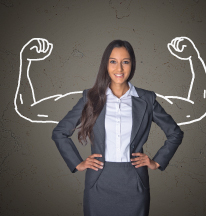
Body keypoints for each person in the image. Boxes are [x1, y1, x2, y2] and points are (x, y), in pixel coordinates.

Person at [51, 39, 184, 216]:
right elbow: (59, 132)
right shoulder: (90, 98)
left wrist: (156, 162)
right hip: (98, 181)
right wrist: (78, 163)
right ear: (105, 65)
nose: (119, 69)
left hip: (135, 181)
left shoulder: (147, 99)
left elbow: (175, 133)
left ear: (132, 65)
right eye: (113, 61)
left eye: (125, 62)